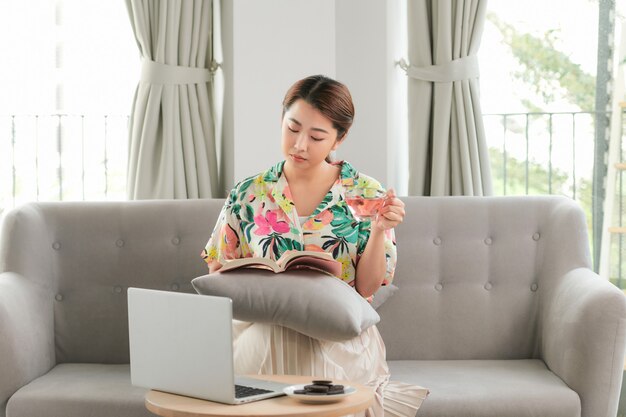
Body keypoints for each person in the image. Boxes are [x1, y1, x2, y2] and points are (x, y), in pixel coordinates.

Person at [201, 75, 427, 416]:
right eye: (292, 128)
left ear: (340, 137)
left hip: (337, 339)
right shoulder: (249, 193)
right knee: (272, 335)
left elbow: (367, 288)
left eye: (316, 136)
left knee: (298, 350)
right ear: (281, 120)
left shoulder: (366, 193)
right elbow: (217, 268)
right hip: (262, 332)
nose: (300, 145)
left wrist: (379, 229)